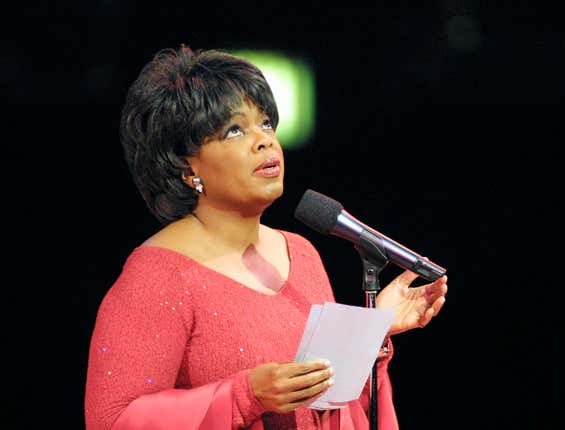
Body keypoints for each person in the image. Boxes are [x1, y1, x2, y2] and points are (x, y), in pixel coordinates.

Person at [84, 45, 448, 430]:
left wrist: (373, 329)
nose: (264, 141)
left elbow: (322, 399)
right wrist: (246, 395)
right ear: (186, 164)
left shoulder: (301, 253)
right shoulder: (158, 275)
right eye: (235, 130)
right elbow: (113, 420)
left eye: (267, 124)